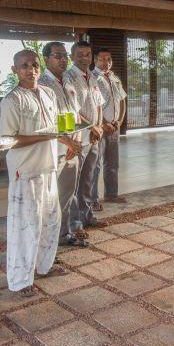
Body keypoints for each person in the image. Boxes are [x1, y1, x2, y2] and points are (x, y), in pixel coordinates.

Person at [0, 49, 81, 297]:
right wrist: (50, 136)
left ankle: (44, 266)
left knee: (51, 220)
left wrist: (68, 141)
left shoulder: (47, 93)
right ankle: (20, 280)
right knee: (26, 226)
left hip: (48, 166)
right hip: (25, 171)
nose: (31, 70)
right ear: (15, 70)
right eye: (24, 65)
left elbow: (55, 125)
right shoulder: (12, 100)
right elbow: (9, 139)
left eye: (34, 65)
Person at [39, 41, 100, 247]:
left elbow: (74, 114)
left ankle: (64, 234)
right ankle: (49, 241)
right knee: (52, 197)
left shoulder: (66, 81)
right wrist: (68, 142)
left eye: (64, 55)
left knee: (67, 194)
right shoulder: (42, 84)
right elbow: (46, 122)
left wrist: (78, 138)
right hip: (56, 149)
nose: (63, 60)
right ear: (46, 59)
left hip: (73, 146)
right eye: (57, 56)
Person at [64, 41, 105, 218]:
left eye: (87, 54)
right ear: (72, 56)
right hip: (79, 138)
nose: (84, 58)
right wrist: (92, 127)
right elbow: (73, 110)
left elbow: (99, 104)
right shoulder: (67, 78)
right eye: (80, 54)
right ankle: (75, 222)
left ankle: (87, 215)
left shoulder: (92, 76)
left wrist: (100, 127)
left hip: (94, 137)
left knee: (89, 179)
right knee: (75, 182)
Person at [91, 47, 128, 204]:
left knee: (112, 163)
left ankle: (111, 194)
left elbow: (122, 100)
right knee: (95, 164)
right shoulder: (92, 78)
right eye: (102, 59)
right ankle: (92, 200)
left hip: (114, 127)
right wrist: (104, 123)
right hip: (99, 128)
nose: (106, 62)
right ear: (95, 60)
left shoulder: (114, 78)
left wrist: (119, 121)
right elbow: (92, 104)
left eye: (109, 59)